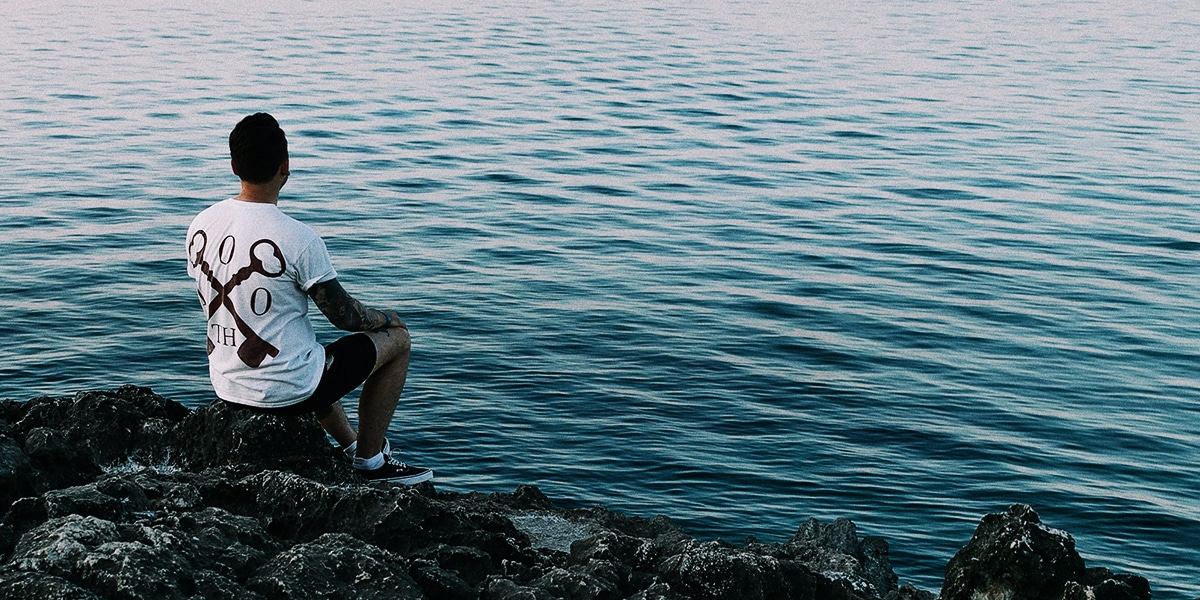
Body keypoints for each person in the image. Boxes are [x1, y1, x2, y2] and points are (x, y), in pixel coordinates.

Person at [185, 112, 432, 484]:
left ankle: (349, 445)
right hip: (286, 390)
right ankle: (371, 463)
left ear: (234, 165)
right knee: (398, 341)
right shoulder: (298, 238)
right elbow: (345, 316)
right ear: (286, 166)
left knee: (310, 352)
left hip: (226, 382)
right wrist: (386, 318)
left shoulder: (202, 222)